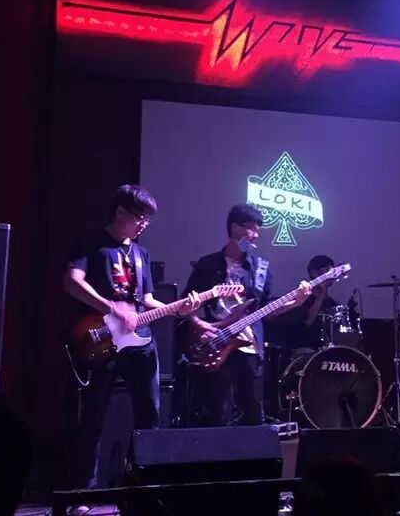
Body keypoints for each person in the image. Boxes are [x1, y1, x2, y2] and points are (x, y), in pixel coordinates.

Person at [63, 184, 200, 490]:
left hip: (141, 342)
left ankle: (143, 488)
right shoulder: (91, 244)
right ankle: (84, 492)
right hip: (102, 339)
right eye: (140, 217)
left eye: (148, 219)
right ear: (120, 212)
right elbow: (72, 282)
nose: (144, 225)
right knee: (94, 416)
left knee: (149, 416)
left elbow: (146, 300)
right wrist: (111, 308)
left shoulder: (141, 254)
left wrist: (179, 309)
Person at [181, 203, 311, 426]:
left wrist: (296, 302)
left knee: (253, 414)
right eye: (251, 228)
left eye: (258, 230)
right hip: (217, 342)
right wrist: (198, 325)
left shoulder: (261, 268)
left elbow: (266, 309)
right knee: (217, 415)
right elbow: (186, 303)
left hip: (249, 345)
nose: (256, 235)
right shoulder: (208, 264)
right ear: (235, 227)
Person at [269, 254, 340, 355]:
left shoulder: (332, 304)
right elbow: (307, 324)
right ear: (314, 273)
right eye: (327, 269)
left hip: (323, 351)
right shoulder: (302, 298)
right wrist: (321, 295)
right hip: (301, 350)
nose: (331, 274)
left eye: (332, 270)